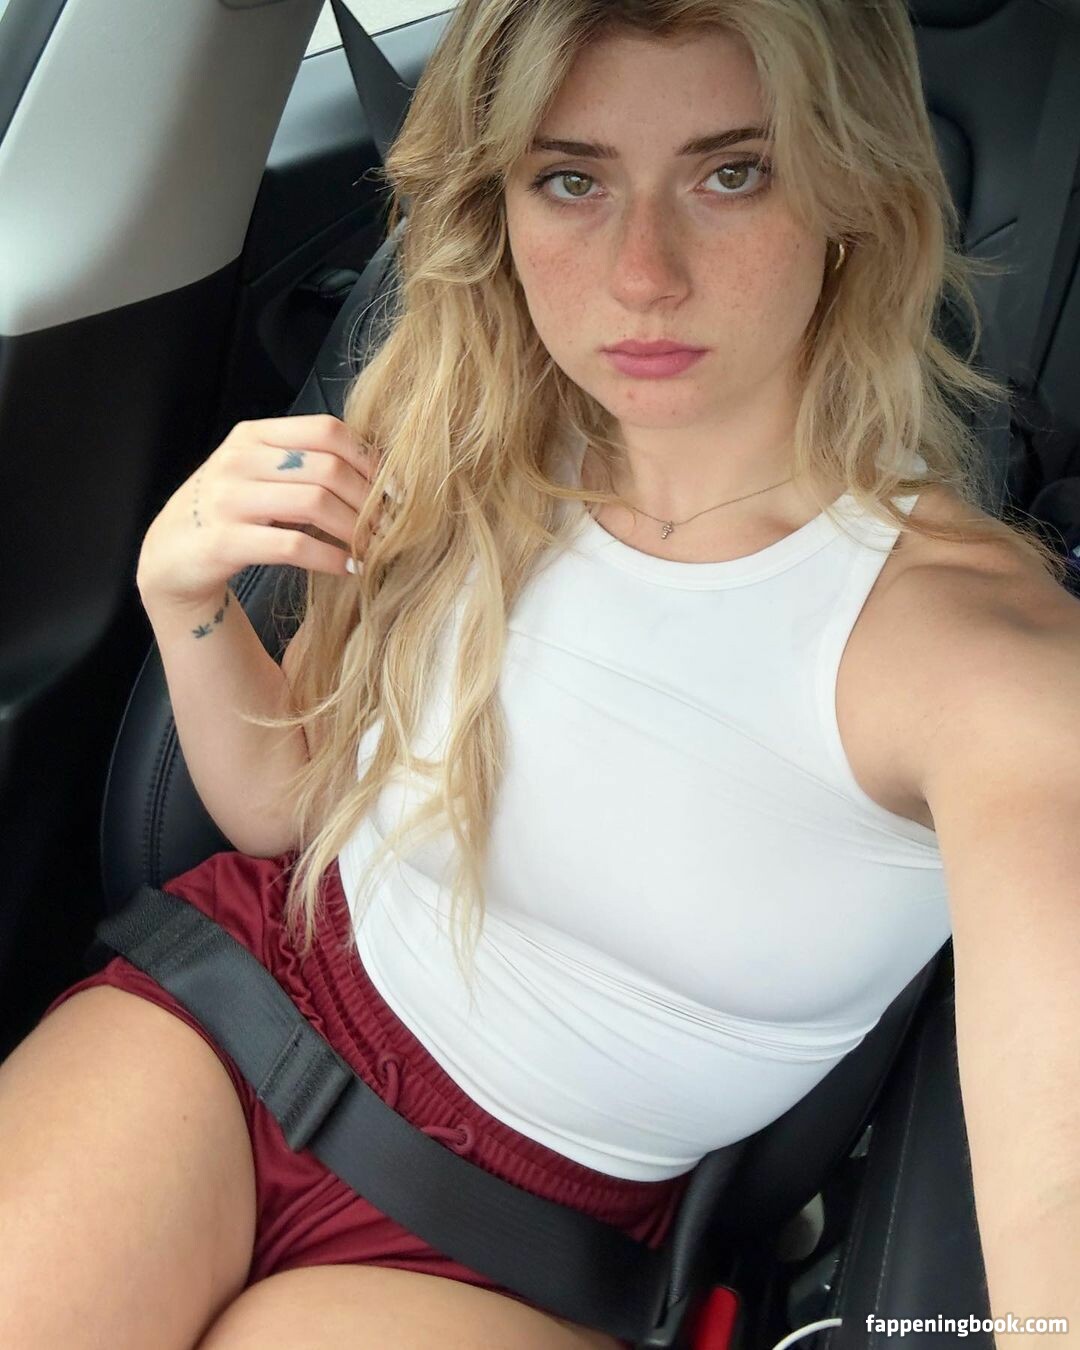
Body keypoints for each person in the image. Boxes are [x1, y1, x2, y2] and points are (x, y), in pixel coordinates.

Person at [2, 1, 1077, 1347]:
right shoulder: (458, 433)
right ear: (500, 204)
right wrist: (189, 603)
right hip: (229, 1026)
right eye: (572, 180)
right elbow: (285, 808)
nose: (643, 274)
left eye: (732, 172)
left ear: (849, 188)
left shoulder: (982, 663)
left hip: (505, 1248)